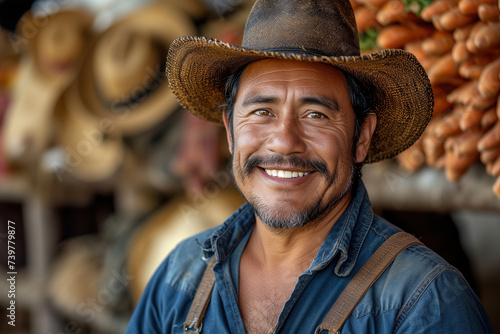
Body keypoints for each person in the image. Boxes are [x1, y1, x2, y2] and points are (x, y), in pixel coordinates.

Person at [126, 0, 494, 333]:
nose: (285, 141)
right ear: (230, 130)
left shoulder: (422, 303)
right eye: (261, 112)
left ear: (361, 137)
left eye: (315, 114)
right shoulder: (181, 276)